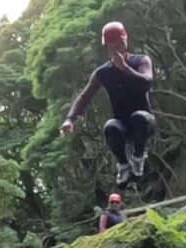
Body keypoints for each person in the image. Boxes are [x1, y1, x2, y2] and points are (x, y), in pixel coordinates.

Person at [60, 21, 155, 186]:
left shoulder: (141, 61)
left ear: (125, 43)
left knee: (138, 117)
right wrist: (70, 119)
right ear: (107, 48)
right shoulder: (103, 72)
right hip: (123, 124)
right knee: (110, 126)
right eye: (112, 47)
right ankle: (124, 165)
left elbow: (146, 83)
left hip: (145, 121)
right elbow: (84, 97)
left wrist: (124, 68)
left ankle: (138, 159)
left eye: (120, 45)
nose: (117, 50)